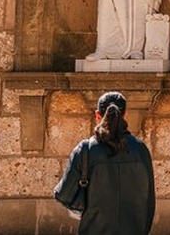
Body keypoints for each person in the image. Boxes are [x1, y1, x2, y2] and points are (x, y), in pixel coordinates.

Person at [55, 91, 156, 235]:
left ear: (97, 115)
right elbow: (149, 201)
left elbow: (63, 195)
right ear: (125, 115)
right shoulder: (141, 150)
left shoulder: (85, 150)